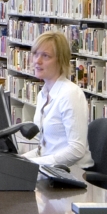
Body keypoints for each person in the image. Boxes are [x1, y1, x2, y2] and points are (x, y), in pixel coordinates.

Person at [17, 31, 92, 181]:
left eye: (46, 56)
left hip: (70, 173)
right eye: (35, 54)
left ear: (61, 61)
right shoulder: (43, 94)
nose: (37, 61)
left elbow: (76, 150)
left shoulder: (70, 94)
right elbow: (44, 149)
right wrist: (20, 161)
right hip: (51, 169)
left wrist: (34, 164)